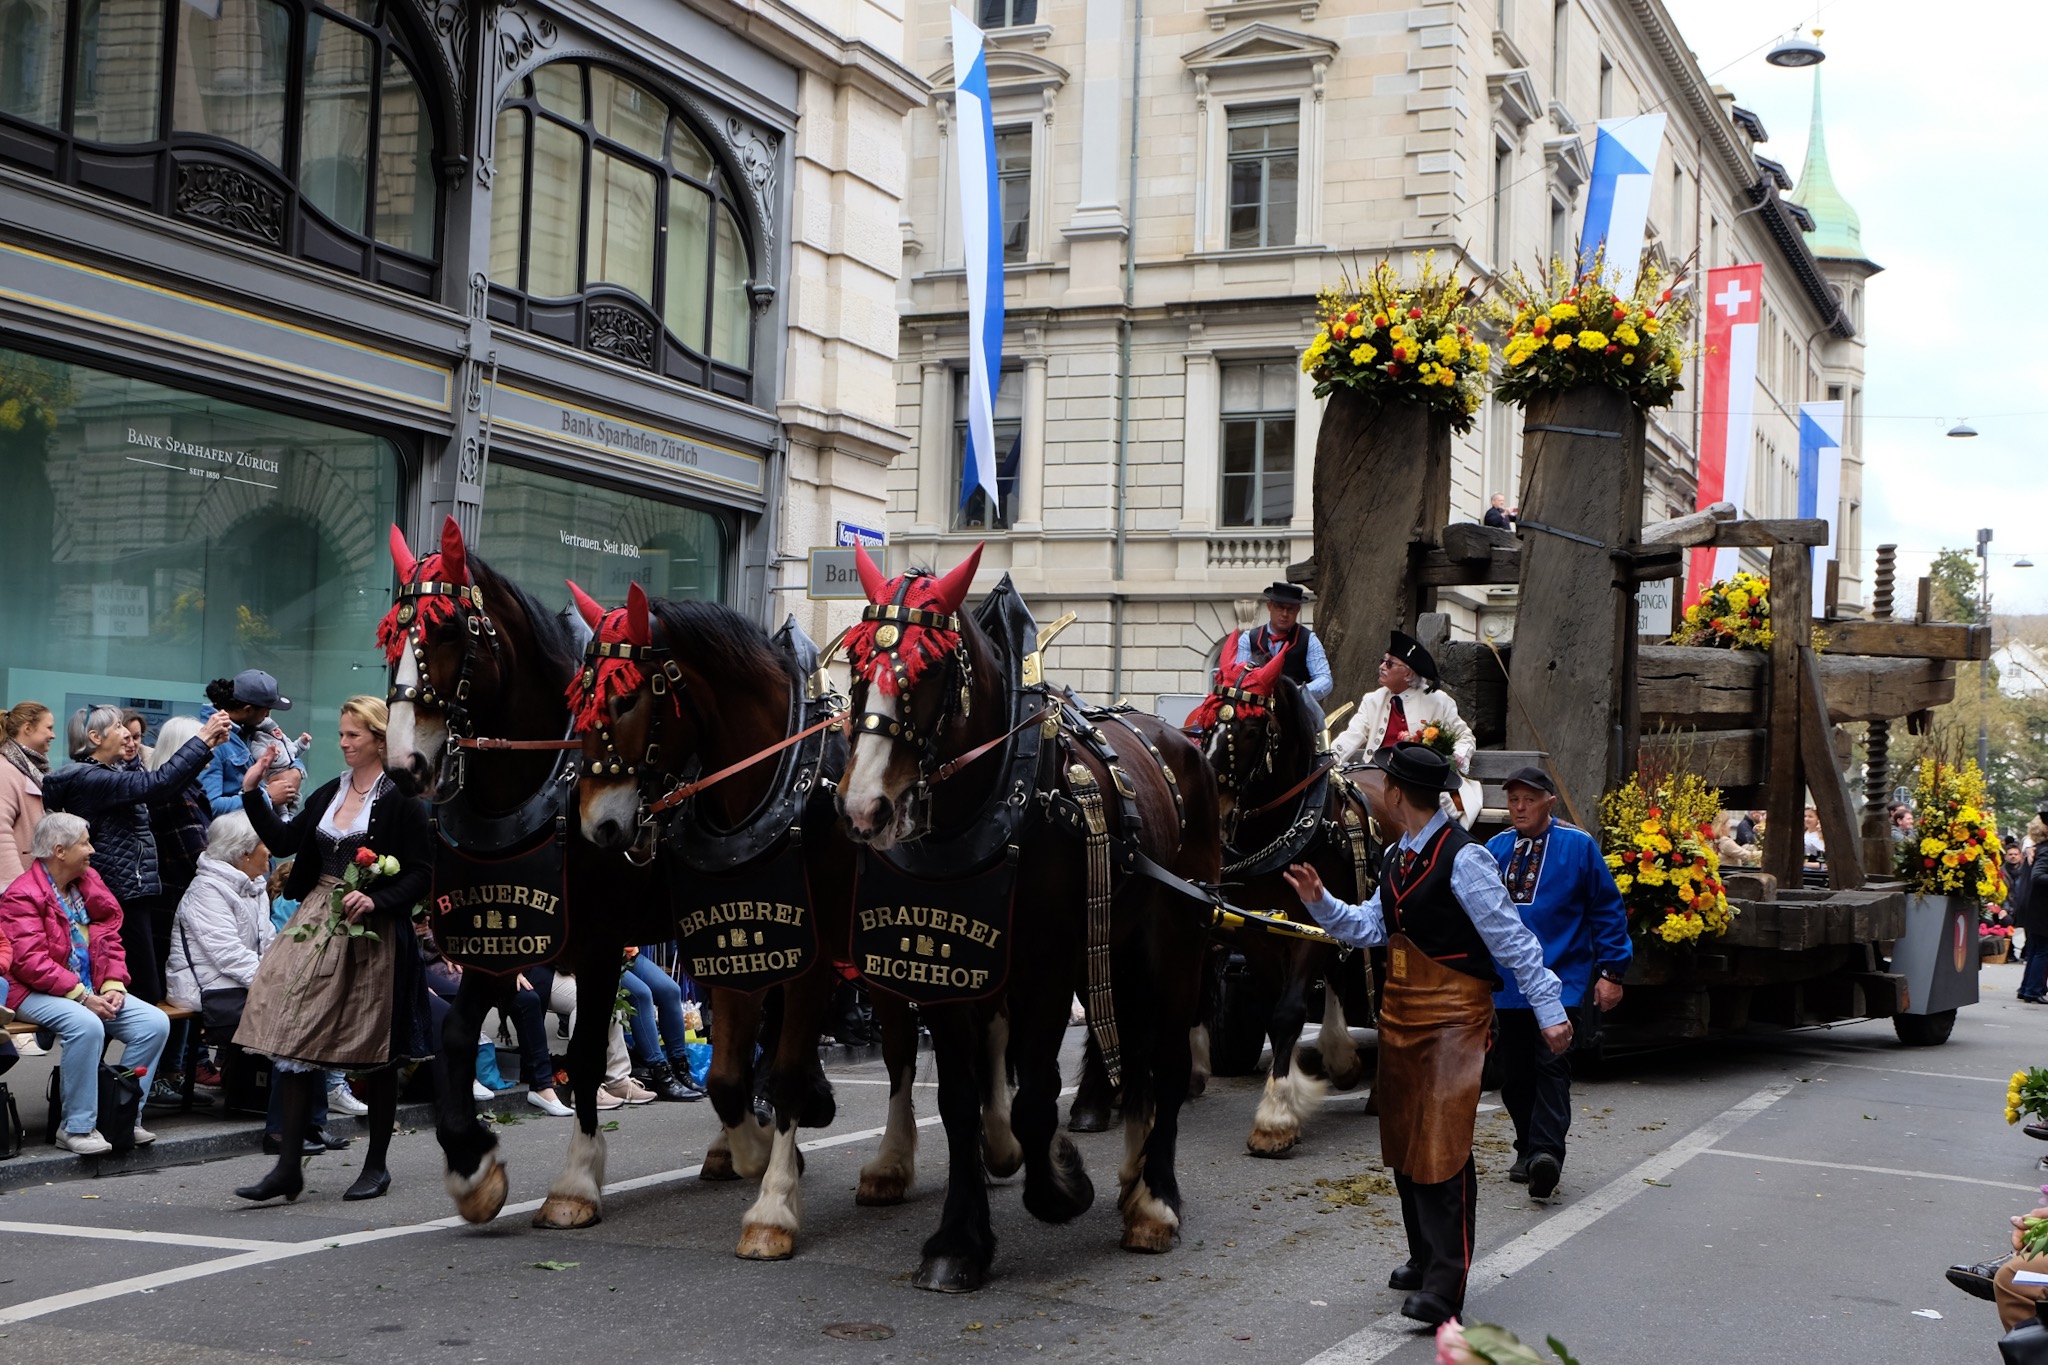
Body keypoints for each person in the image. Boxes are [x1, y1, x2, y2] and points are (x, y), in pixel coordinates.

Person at [1282, 743, 1568, 1328]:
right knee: (1407, 1143)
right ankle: (1424, 1256)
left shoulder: (1464, 859)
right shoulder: (1395, 857)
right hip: (1403, 1016)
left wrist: (1549, 1009)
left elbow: (1511, 940)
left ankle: (1446, 1282)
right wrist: (1321, 902)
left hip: (1456, 1019)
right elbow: (1369, 925)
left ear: (1394, 794)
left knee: (1442, 1147)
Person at [231, 696, 433, 1204]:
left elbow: (422, 873)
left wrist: (378, 896)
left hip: (375, 931)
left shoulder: (404, 799)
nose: (343, 743)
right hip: (317, 918)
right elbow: (281, 840)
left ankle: (377, 1164)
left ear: (379, 740)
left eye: (353, 735)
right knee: (294, 1031)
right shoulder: (329, 793)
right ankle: (288, 1168)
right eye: (342, 734)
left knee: (376, 1049)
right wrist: (253, 792)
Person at [1484, 767, 1631, 1201]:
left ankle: (1546, 1154)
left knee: (1551, 1065)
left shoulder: (1578, 847)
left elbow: (1607, 910)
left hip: (1561, 980)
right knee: (1514, 1075)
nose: (1519, 807)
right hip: (1509, 984)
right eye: (1512, 800)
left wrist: (1612, 973)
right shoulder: (1494, 849)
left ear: (1550, 801)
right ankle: (1526, 1146)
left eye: (1528, 799)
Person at [0, 812, 173, 1155]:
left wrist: (112, 984)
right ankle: (76, 1126)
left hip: (88, 987)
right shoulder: (22, 895)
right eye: (84, 843)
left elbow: (109, 938)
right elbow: (29, 962)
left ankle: (121, 1117)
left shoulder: (88, 883)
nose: (92, 850)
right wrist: (82, 996)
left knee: (154, 1023)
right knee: (86, 1024)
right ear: (59, 850)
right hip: (30, 990)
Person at [43, 706, 232, 1006]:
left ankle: (102, 1049)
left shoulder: (110, 774)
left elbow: (164, 783)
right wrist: (203, 739)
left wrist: (206, 747)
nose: (128, 736)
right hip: (119, 893)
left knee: (125, 986)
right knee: (142, 991)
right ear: (95, 737)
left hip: (128, 890)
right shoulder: (92, 780)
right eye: (118, 727)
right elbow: (158, 785)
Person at [1330, 631, 1483, 829]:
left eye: (1390, 663)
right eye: (1383, 661)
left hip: (1417, 780)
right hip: (1376, 773)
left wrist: (1457, 756)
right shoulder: (1373, 699)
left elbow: (1465, 736)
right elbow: (1352, 736)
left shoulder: (1438, 701)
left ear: (1408, 673)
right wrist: (1327, 761)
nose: (1382, 667)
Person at [144, 716, 217, 1101]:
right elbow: (197, 856)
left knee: (181, 989)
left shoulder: (185, 790)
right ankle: (165, 1074)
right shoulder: (177, 796)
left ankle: (174, 1070)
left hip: (176, 905)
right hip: (172, 906)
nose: (210, 753)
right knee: (177, 991)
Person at [164, 811, 274, 1026]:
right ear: (245, 853)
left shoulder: (254, 887)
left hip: (240, 983)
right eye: (264, 843)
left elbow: (270, 943)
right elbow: (227, 953)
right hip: (207, 988)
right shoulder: (207, 890)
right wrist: (272, 983)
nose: (270, 851)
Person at [199, 671, 308, 818]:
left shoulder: (247, 728)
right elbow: (209, 807)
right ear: (248, 710)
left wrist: (296, 770)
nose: (268, 716)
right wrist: (267, 796)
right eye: (266, 711)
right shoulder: (213, 740)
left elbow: (286, 751)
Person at [620, 946, 705, 1101]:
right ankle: (661, 1075)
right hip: (596, 953)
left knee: (670, 990)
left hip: (626, 952)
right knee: (641, 995)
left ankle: (680, 1068)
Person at [1230, 582, 1332, 706]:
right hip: (1257, 708)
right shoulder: (1248, 639)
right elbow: (1240, 677)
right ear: (1269, 606)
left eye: (1290, 609)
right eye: (1280, 607)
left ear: (1297, 610)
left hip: (1296, 709)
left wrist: (1299, 691)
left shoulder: (1309, 640)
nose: (1284, 614)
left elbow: (1325, 679)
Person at [0, 701, 56, 885]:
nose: (53, 735)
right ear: (28, 728)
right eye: (48, 728)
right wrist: (15, 886)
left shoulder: (30, 768)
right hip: (14, 889)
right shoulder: (6, 771)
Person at [2018, 831, 2048, 1005]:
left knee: (2036, 949)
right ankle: (2033, 990)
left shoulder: (2038, 849)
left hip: (2035, 907)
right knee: (2042, 950)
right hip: (2041, 909)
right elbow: (2038, 876)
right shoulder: (2044, 850)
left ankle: (2027, 989)